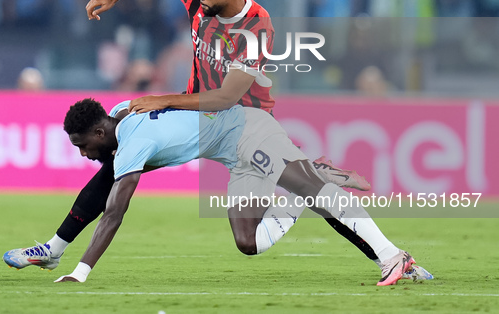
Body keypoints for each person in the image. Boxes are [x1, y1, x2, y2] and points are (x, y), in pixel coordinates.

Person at [2, 0, 420, 280]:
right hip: (200, 118)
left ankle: (391, 256)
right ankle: (54, 249)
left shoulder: (256, 29)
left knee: (310, 192)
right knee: (116, 168)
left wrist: (161, 99)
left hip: (244, 122)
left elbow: (225, 97)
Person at [38, 98, 425, 286]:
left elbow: (114, 214)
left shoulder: (132, 144)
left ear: (101, 133)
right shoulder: (124, 110)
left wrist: (81, 272)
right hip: (232, 154)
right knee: (247, 242)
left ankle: (391, 256)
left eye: (83, 145)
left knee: (319, 197)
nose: (85, 154)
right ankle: (314, 184)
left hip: (248, 131)